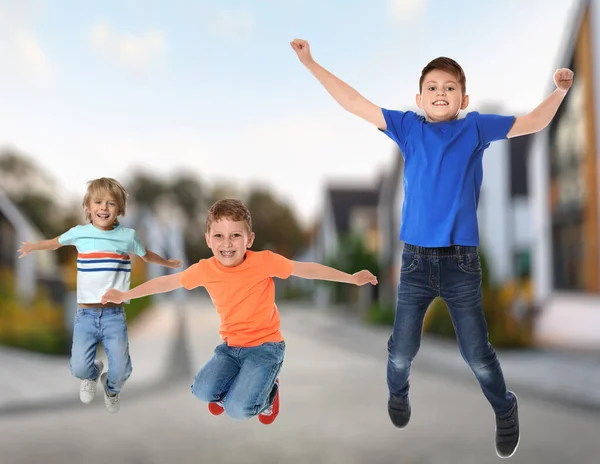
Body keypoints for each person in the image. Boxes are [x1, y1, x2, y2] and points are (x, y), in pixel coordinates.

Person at [290, 37, 574, 458]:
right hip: (415, 263)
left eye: (449, 87)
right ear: (418, 97)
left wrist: (561, 91)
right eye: (432, 87)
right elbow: (352, 100)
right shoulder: (407, 127)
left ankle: (505, 407)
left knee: (476, 354)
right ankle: (398, 394)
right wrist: (310, 62)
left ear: (464, 98)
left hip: (460, 262)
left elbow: (533, 121)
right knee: (402, 351)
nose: (440, 93)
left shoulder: (474, 127)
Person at [101, 198, 377, 424]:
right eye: (219, 236)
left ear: (250, 239)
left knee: (237, 410)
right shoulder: (204, 269)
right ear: (208, 239)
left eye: (235, 235)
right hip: (231, 348)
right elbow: (165, 282)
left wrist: (351, 278)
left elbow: (307, 269)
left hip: (266, 347)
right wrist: (125, 294)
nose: (227, 243)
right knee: (202, 391)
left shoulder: (265, 262)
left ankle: (269, 395)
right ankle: (243, 385)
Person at [18, 177, 182, 413]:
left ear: (120, 209)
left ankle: (111, 388)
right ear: (88, 207)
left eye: (111, 203)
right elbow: (55, 243)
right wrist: (33, 246)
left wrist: (167, 262)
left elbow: (146, 255)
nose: (104, 208)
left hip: (114, 315)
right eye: (98, 202)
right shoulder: (79, 233)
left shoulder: (127, 236)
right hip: (85, 315)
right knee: (78, 368)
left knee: (122, 370)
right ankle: (92, 373)